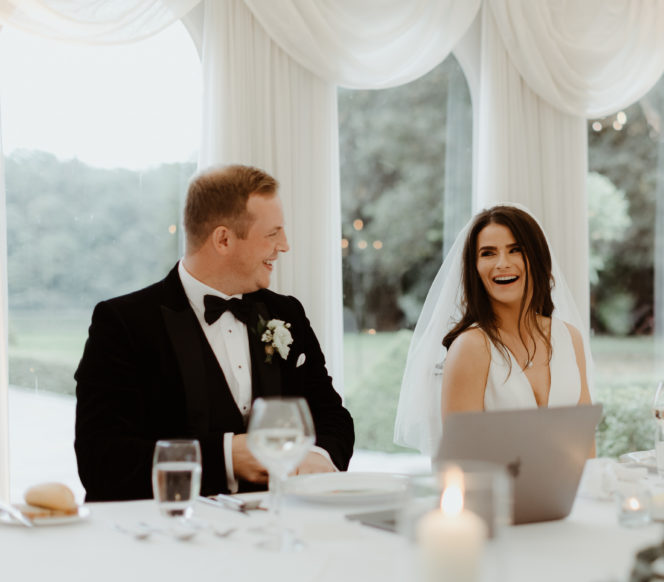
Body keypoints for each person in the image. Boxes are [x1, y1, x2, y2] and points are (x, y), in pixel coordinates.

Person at [75, 164, 355, 502]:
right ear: (223, 239)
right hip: (166, 536)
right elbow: (102, 460)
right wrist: (225, 456)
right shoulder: (123, 323)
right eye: (273, 233)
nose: (284, 245)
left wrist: (319, 456)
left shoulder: (286, 314)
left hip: (274, 531)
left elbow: (332, 415)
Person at [393, 204, 592, 455]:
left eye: (515, 250)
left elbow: (586, 445)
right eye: (488, 253)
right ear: (474, 268)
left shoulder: (569, 338)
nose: (502, 263)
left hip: (570, 493)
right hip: (496, 493)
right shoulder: (471, 347)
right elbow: (461, 457)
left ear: (537, 258)